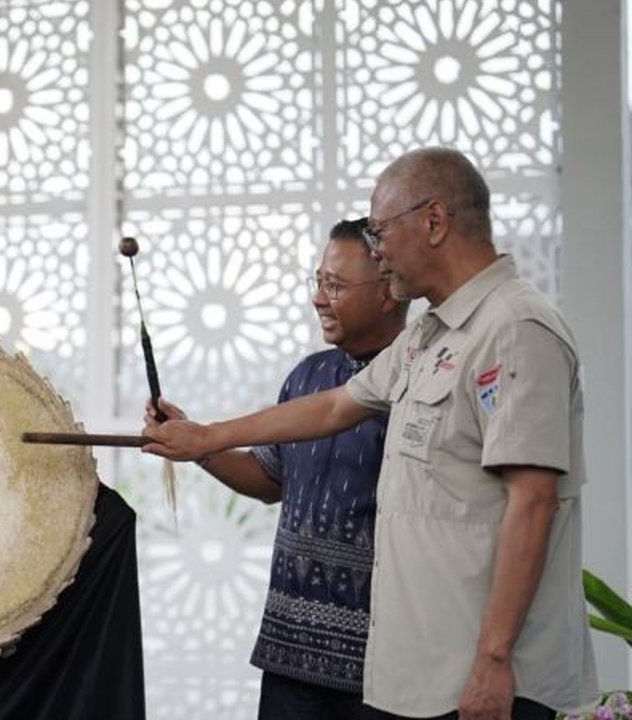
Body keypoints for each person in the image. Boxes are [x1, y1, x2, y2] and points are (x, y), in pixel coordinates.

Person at [143, 147, 598, 720]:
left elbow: (534, 501)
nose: (378, 250)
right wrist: (205, 437)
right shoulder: (432, 333)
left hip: (489, 679)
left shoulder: (515, 329)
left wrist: (494, 658)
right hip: (425, 672)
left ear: (433, 222)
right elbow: (335, 405)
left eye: (381, 231)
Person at [155, 218, 407, 719]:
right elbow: (269, 481)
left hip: (382, 666)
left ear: (388, 293)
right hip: (288, 653)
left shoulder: (414, 382)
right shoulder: (308, 375)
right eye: (317, 281)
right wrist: (197, 443)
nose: (318, 297)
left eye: (334, 285)